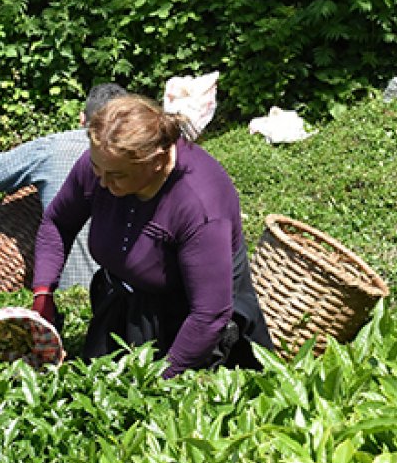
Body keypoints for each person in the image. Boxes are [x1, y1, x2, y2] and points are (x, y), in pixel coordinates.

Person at [29, 95, 274, 377]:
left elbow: (209, 315)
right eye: (97, 169)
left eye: (117, 176)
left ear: (156, 162)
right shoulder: (105, 162)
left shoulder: (199, 206)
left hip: (190, 327)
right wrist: (43, 293)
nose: (103, 183)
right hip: (124, 300)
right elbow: (59, 221)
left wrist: (162, 380)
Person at [0, 83, 128, 291]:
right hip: (129, 293)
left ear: (82, 119)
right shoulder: (142, 158)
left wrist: (36, 181)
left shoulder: (54, 148)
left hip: (67, 291)